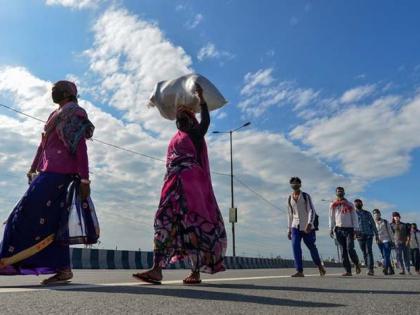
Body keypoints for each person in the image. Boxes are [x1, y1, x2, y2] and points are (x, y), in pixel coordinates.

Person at [0, 80, 96, 285]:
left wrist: (85, 179)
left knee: (22, 213)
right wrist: (34, 166)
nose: (53, 93)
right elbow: (43, 145)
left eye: (57, 90)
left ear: (67, 93)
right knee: (54, 223)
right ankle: (63, 269)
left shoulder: (75, 113)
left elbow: (80, 147)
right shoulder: (55, 115)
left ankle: (7, 261)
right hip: (48, 171)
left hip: (59, 175)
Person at [133, 84, 227, 285]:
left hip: (192, 188)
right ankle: (157, 269)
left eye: (184, 117)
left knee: (193, 226)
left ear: (192, 120)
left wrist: (201, 98)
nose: (180, 121)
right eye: (177, 119)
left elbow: (206, 120)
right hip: (171, 185)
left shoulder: (195, 133)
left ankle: (195, 272)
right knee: (164, 222)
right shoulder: (174, 139)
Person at [287, 177, 326, 277]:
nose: (295, 185)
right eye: (293, 183)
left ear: (300, 184)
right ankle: (299, 270)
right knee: (295, 247)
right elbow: (290, 214)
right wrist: (289, 229)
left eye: (297, 183)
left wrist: (309, 223)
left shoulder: (305, 196)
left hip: (308, 226)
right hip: (295, 226)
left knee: (311, 247)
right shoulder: (289, 198)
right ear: (290, 185)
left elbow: (311, 210)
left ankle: (319, 265)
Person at [329, 187, 361, 276]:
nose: (340, 192)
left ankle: (356, 263)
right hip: (338, 229)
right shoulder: (333, 204)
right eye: (338, 191)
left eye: (341, 191)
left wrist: (356, 229)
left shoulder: (350, 204)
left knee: (350, 248)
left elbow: (354, 217)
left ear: (344, 193)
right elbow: (331, 217)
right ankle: (348, 271)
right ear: (336, 193)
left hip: (349, 229)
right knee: (343, 251)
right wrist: (330, 228)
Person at [354, 199, 378, 276]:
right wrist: (353, 234)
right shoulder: (353, 213)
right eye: (356, 203)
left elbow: (373, 223)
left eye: (359, 203)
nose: (358, 204)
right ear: (355, 205)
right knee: (364, 252)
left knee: (369, 251)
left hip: (369, 234)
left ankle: (370, 269)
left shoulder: (367, 213)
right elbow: (352, 225)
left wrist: (377, 235)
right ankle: (368, 266)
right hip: (359, 235)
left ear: (362, 204)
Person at [372, 209, 395, 275]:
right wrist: (375, 240)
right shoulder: (372, 222)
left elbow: (390, 231)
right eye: (374, 214)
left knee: (386, 255)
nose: (376, 215)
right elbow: (373, 232)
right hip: (379, 241)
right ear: (373, 215)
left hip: (387, 240)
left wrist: (392, 240)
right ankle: (391, 269)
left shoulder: (385, 221)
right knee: (384, 255)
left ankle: (385, 267)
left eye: (377, 213)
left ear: (380, 214)